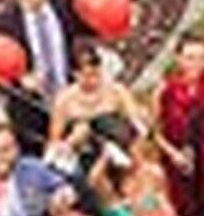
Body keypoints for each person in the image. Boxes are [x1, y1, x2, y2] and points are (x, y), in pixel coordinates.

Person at [0, 0, 86, 154]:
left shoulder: (64, 6)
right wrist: (19, 79)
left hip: (69, 98)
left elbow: (87, 30)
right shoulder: (2, 24)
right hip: (31, 109)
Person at [154, 33, 204, 216]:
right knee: (184, 207)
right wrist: (173, 154)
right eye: (190, 58)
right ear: (178, 59)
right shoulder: (164, 90)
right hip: (178, 158)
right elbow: (153, 131)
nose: (196, 64)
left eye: (202, 58)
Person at [47, 45, 147, 185]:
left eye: (96, 74)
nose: (93, 81)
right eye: (87, 76)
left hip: (124, 152)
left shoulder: (116, 90)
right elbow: (53, 143)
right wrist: (71, 141)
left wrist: (139, 131)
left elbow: (138, 124)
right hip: (90, 163)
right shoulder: (64, 101)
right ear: (75, 74)